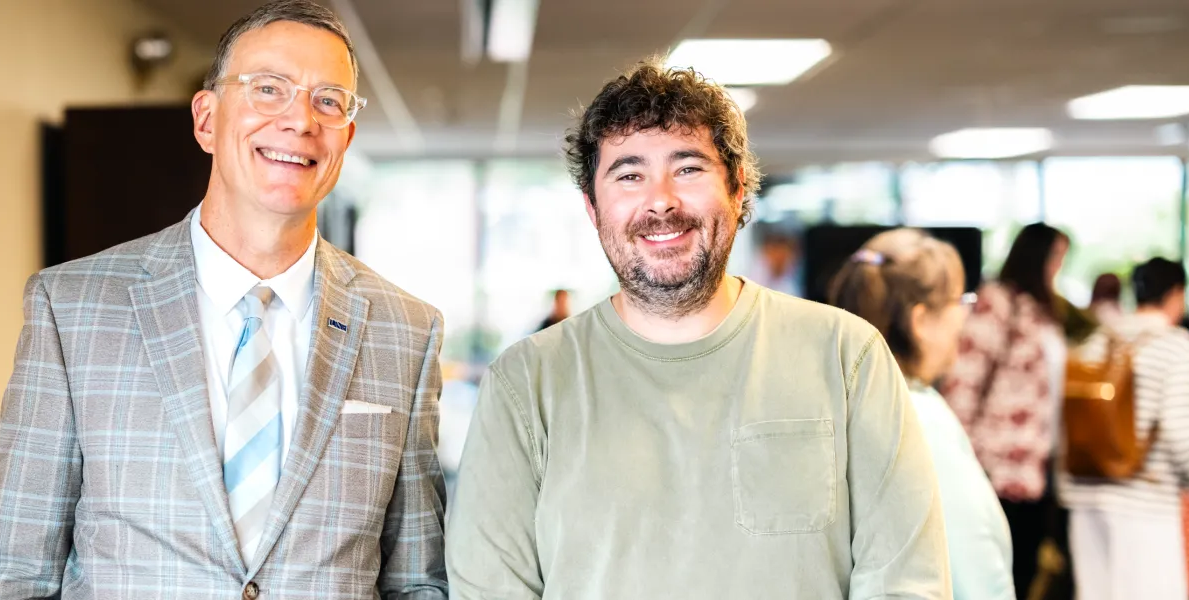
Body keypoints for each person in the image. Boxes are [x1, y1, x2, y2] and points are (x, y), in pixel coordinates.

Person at [0, 2, 447, 598]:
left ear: (345, 137)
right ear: (206, 119)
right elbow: (15, 572)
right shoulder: (72, 309)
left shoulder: (406, 329)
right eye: (269, 89)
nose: (300, 120)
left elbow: (417, 582)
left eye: (328, 100)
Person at [446, 61, 949, 599]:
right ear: (594, 210)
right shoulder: (526, 385)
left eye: (688, 168)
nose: (660, 200)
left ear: (738, 191)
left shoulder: (847, 357)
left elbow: (905, 583)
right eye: (629, 174)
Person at [828, 229, 1015, 600]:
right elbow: (970, 556)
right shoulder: (919, 416)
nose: (965, 313)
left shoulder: (833, 400)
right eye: (959, 299)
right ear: (920, 320)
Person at [942, 222, 1072, 599]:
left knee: (1028, 565)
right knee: (1001, 569)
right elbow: (965, 380)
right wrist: (961, 455)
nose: (1058, 265)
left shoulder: (1043, 309)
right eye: (1056, 256)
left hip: (1038, 464)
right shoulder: (998, 301)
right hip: (997, 464)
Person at [1060, 258, 1189, 600]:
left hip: (1085, 497)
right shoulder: (1178, 347)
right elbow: (1180, 429)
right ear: (1176, 294)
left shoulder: (1097, 341)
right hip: (1145, 504)